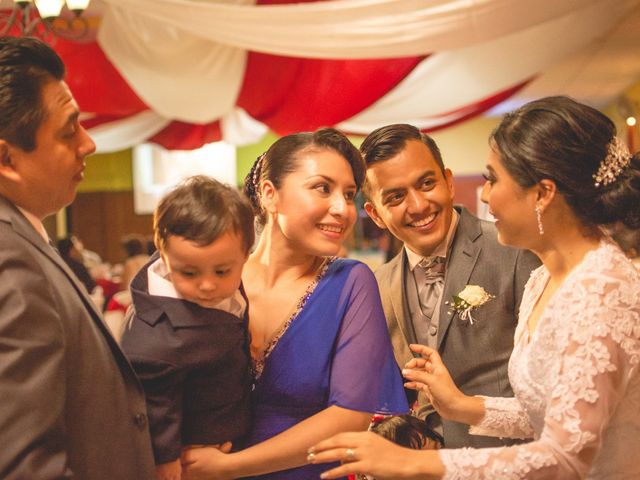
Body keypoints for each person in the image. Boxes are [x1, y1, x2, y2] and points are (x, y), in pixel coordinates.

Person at [308, 96, 640, 479]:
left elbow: (566, 458)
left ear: (543, 194)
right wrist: (460, 407)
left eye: (492, 179)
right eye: (396, 196)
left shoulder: (602, 288)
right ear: (377, 213)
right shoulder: (543, 279)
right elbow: (553, 413)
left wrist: (413, 463)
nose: (483, 195)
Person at [182, 127, 408, 479]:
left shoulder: (350, 283)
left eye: (349, 195)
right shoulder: (213, 277)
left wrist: (230, 467)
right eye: (323, 188)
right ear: (270, 194)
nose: (342, 209)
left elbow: (349, 416)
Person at [0, 36, 155, 478]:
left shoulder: (22, 238)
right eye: (69, 131)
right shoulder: (9, 262)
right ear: (7, 158)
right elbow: (24, 464)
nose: (88, 144)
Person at [355, 123, 540, 448]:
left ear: (448, 182)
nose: (418, 205)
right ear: (375, 214)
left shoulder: (513, 250)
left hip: (511, 459)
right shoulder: (377, 285)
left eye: (427, 184)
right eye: (396, 197)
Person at [120, 175, 255, 480]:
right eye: (189, 272)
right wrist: (165, 461)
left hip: (232, 424)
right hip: (196, 454)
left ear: (247, 253)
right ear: (164, 254)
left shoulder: (217, 265)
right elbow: (153, 405)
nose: (207, 285)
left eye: (222, 271)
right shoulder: (154, 342)